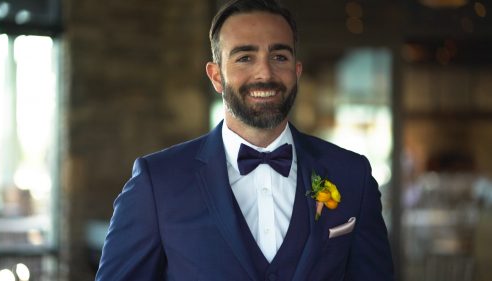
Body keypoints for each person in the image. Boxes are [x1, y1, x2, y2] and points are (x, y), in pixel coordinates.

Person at [95, 0, 394, 280]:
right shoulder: (156, 183)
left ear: (296, 71)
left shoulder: (352, 175)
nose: (265, 73)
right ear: (216, 76)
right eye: (244, 58)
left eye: (279, 57)